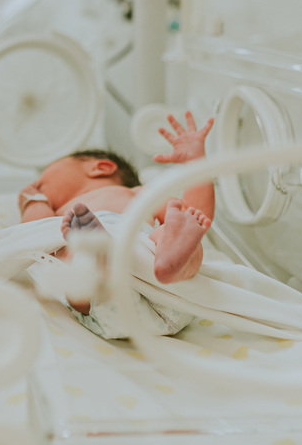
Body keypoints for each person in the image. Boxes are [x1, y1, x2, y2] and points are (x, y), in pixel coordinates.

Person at [17, 111, 214, 314]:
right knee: (76, 257)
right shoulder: (59, 215)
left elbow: (194, 215)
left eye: (41, 184)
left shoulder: (136, 193)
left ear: (100, 168)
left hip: (154, 274)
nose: (37, 187)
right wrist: (34, 203)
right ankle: (101, 260)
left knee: (172, 233)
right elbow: (35, 234)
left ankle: (171, 260)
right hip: (104, 298)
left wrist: (196, 164)